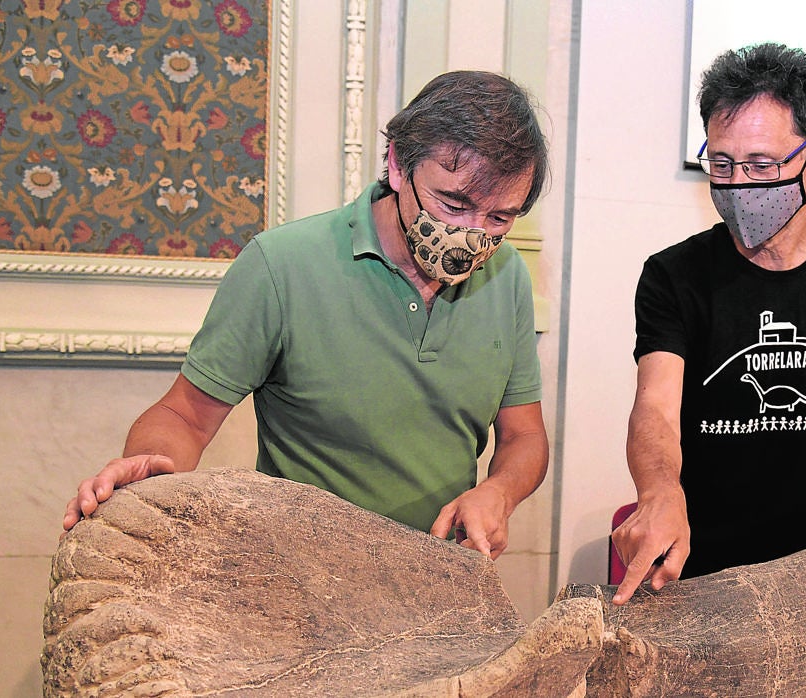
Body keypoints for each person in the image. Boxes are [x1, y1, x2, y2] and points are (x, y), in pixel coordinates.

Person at [64, 71, 550, 561]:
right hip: (299, 587)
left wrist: (499, 492)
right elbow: (185, 416)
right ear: (399, 165)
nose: (472, 235)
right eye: (453, 204)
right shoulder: (283, 265)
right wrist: (151, 471)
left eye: (499, 218)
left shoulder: (506, 276)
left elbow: (524, 435)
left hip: (443, 584)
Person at [610, 43, 806, 605]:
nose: (738, 186)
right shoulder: (674, 275)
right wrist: (658, 491)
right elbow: (655, 407)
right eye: (722, 164)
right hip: (697, 573)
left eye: (761, 165)